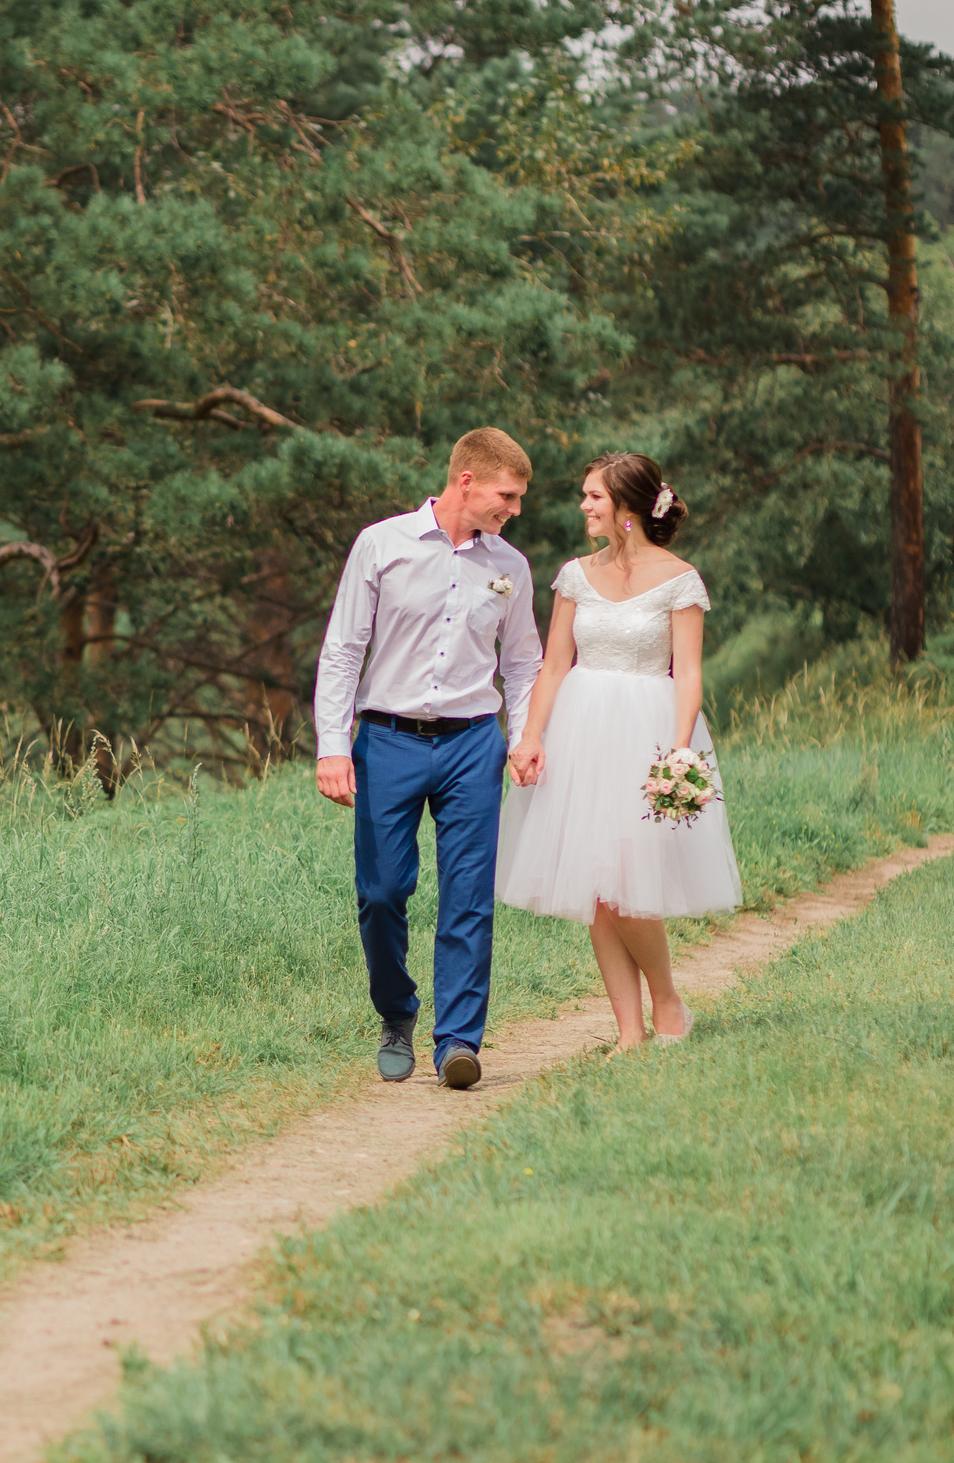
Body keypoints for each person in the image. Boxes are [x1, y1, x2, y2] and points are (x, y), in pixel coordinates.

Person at [314, 428, 544, 1090]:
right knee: (382, 891)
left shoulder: (511, 567)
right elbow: (342, 649)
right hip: (386, 738)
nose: (515, 510)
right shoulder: (380, 545)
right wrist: (334, 745)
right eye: (508, 495)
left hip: (474, 741)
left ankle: (459, 1041)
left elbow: (523, 660)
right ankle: (396, 1013)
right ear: (466, 480)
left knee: (469, 894)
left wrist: (523, 735)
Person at [496, 452, 742, 1049]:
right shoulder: (575, 574)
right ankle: (629, 1033)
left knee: (628, 881)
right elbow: (554, 666)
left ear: (628, 506)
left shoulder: (680, 579)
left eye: (594, 497)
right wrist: (529, 736)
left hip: (647, 733)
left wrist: (679, 752)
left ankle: (668, 1003)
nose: (584, 506)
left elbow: (687, 674)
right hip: (579, 733)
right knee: (597, 891)